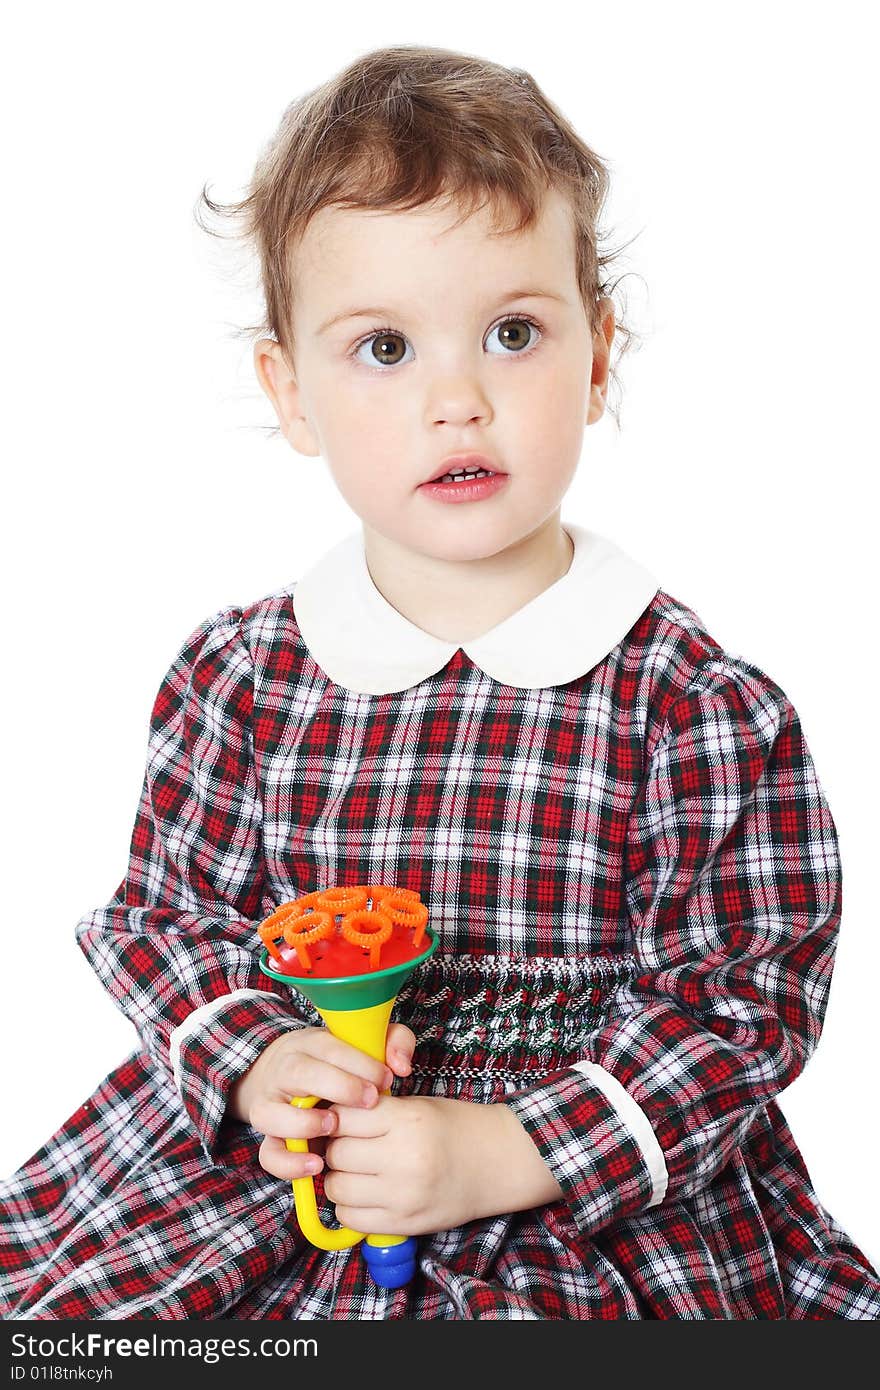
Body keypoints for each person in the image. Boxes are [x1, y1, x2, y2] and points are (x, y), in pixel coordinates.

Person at [1, 43, 878, 1323]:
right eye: (384, 348)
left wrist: (503, 1152)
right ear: (288, 390)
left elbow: (738, 1002)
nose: (456, 400)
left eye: (512, 333)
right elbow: (167, 922)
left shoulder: (692, 705)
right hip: (286, 1176)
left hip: (579, 1197)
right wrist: (258, 1063)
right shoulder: (240, 680)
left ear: (595, 357)